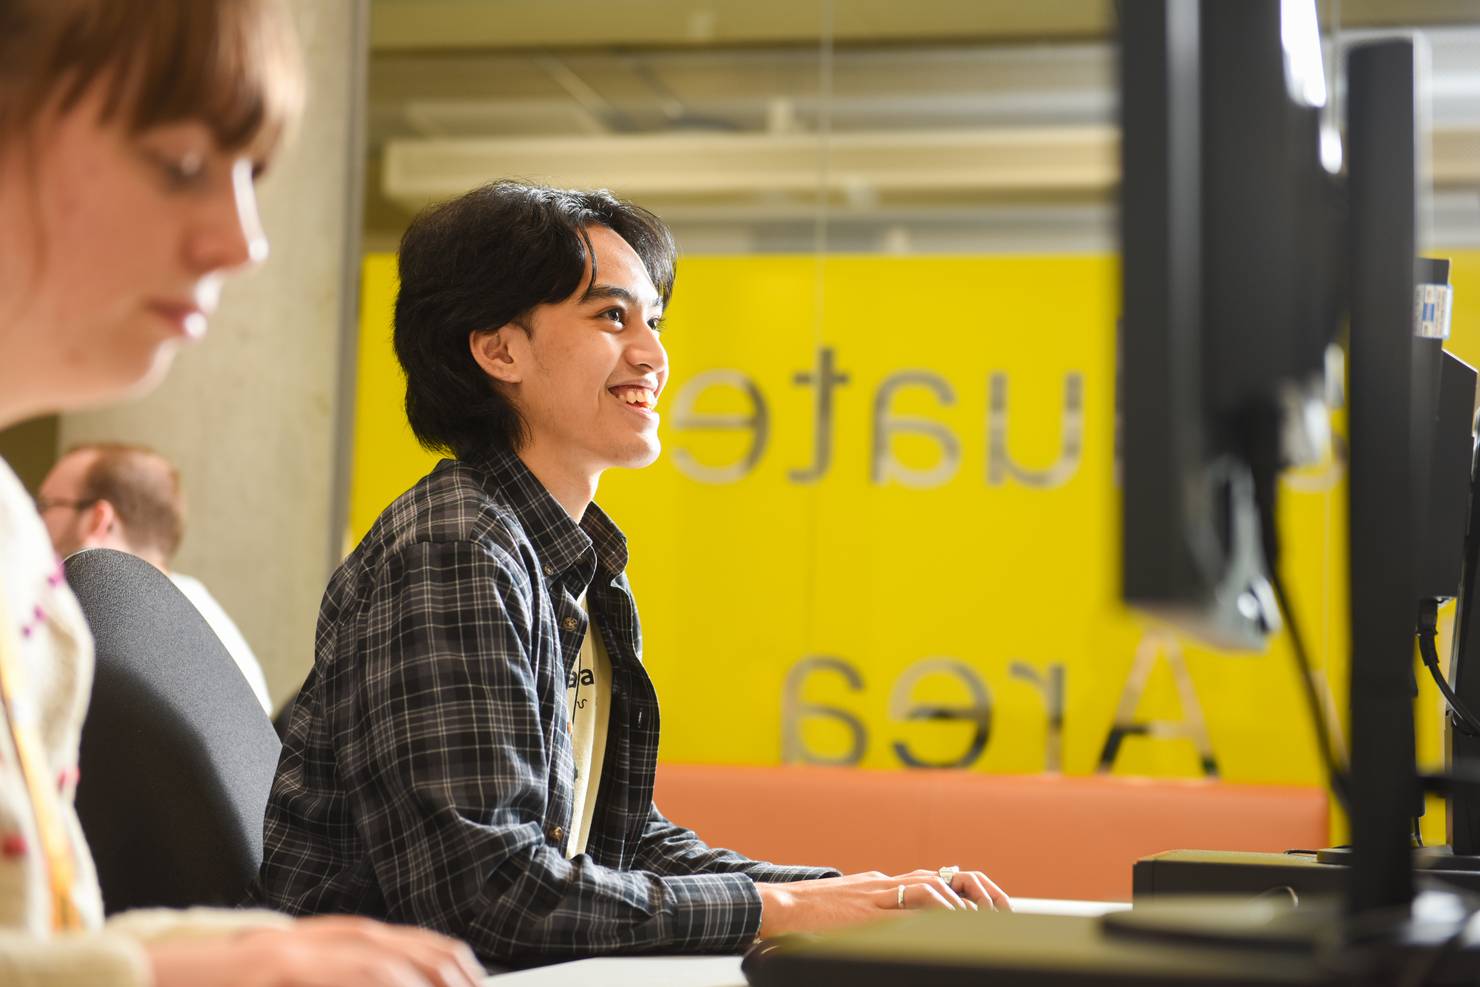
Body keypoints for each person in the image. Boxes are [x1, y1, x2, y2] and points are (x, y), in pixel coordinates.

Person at [258, 180, 1011, 965]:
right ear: (498, 348)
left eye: (652, 320)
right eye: (612, 316)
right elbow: (491, 897)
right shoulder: (456, 547)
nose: (653, 354)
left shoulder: (569, 559)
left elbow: (617, 838)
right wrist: (785, 905)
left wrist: (849, 896)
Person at [0, 0, 485, 984]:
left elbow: (37, 938)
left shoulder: (14, 532)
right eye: (180, 162)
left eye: (251, 176)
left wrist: (249, 949)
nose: (244, 240)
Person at [37, 443, 273, 713]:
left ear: (98, 520)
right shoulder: (201, 614)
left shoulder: (104, 619)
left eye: (45, 505)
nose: (35, 521)